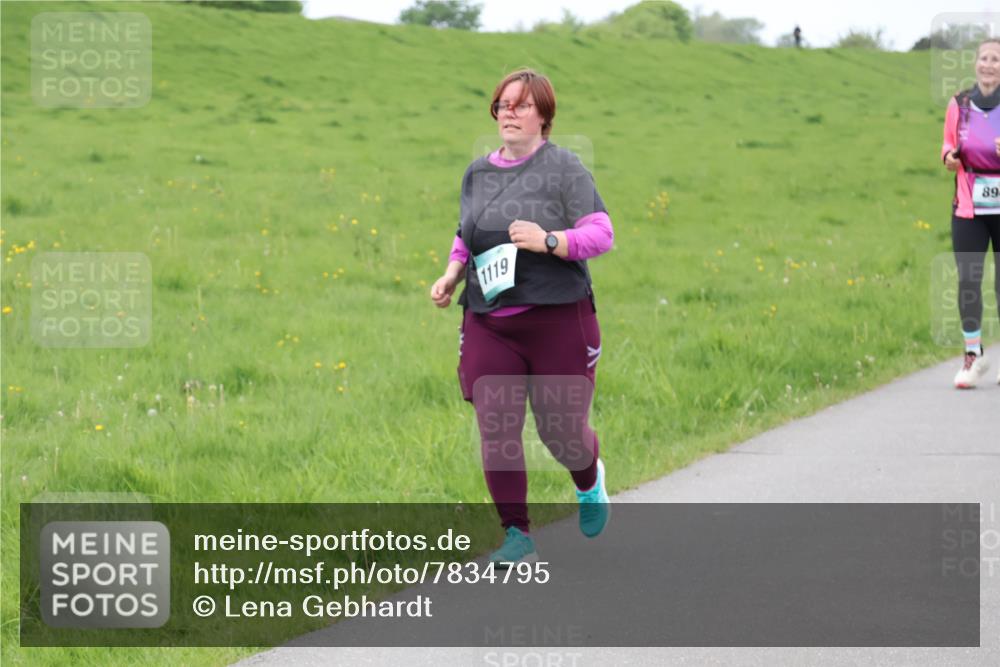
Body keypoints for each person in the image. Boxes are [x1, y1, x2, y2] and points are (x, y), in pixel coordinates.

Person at [429, 69, 614, 566]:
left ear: (544, 116)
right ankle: (517, 535)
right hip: (490, 320)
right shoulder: (477, 173)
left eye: (521, 104)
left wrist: (551, 241)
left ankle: (588, 479)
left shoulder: (565, 169)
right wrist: (451, 274)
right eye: (502, 105)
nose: (508, 112)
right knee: (497, 425)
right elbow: (466, 234)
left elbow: (602, 232)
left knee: (560, 431)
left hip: (557, 318)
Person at [942, 38, 1000, 388]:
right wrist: (950, 158)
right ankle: (972, 356)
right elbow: (948, 149)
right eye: (984, 58)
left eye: (995, 59)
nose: (988, 65)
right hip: (969, 208)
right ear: (975, 62)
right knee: (968, 282)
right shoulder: (959, 104)